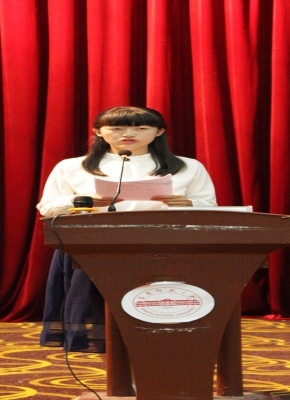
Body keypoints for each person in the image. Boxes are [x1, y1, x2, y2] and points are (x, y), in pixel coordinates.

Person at [36, 106, 217, 352]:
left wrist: (189, 204)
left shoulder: (188, 167)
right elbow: (47, 208)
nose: (128, 134)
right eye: (117, 128)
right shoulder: (71, 167)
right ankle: (116, 371)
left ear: (159, 131)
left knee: (160, 308)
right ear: (98, 131)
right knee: (96, 314)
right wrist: (80, 201)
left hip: (165, 248)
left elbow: (210, 208)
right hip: (92, 249)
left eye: (141, 128)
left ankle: (159, 363)